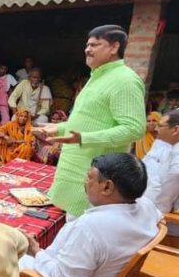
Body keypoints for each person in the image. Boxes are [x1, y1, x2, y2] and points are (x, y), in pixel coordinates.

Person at [19, 153, 160, 277]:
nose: (85, 182)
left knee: (8, 264)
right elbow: (162, 219)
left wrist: (36, 251)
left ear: (107, 186)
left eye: (89, 177)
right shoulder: (146, 207)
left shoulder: (90, 228)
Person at [37, 26, 146, 217]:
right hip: (74, 170)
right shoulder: (97, 76)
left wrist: (83, 138)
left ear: (114, 47)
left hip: (96, 177)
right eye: (87, 44)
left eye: (95, 44)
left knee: (83, 232)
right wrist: (60, 128)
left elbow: (133, 129)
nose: (88, 49)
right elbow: (92, 119)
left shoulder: (125, 80)